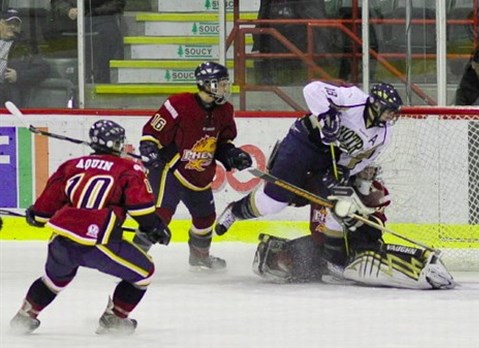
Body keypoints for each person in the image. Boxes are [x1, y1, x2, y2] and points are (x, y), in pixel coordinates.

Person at [214, 80, 403, 278]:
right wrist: (326, 114)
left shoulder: (383, 135)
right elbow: (312, 89)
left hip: (330, 158)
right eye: (389, 111)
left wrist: (342, 170)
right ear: (376, 105)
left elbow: (362, 158)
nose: (391, 116)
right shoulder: (353, 98)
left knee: (340, 204)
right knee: (272, 202)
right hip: (303, 142)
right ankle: (234, 211)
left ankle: (333, 261)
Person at [9, 120, 171, 335]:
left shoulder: (71, 165)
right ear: (117, 144)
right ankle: (114, 319)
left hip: (61, 239)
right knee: (145, 272)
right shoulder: (130, 168)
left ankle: (24, 317)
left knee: (52, 281)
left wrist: (35, 216)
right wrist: (156, 227)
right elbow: (140, 209)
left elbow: (43, 211)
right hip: (97, 243)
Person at [251, 165, 456, 289]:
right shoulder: (323, 184)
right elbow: (290, 197)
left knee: (363, 255)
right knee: (274, 259)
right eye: (364, 170)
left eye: (372, 170)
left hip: (357, 246)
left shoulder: (376, 191)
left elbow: (375, 230)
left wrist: (354, 220)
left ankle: (341, 266)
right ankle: (331, 266)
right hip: (320, 246)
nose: (369, 174)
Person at [133, 61, 252, 271]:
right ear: (207, 84)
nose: (225, 88)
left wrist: (233, 154)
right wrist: (149, 147)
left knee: (205, 218)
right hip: (170, 169)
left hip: (199, 173)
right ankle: (132, 258)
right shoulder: (178, 104)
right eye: (221, 83)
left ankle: (199, 256)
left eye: (226, 83)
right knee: (160, 215)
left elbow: (222, 143)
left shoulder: (225, 110)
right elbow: (152, 132)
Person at [50, 0, 126, 83]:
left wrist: (95, 13)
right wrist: (68, 10)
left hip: (102, 19)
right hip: (72, 24)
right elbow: (57, 2)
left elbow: (117, 3)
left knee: (109, 35)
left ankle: (102, 77)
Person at [0, 9, 51, 107]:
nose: (12, 27)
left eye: (16, 24)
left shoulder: (26, 46)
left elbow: (44, 69)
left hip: (7, 96)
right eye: (8, 23)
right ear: (0, 24)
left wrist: (19, 76)